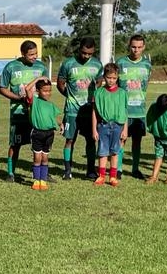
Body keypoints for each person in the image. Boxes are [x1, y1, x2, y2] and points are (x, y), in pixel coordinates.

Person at [0, 40, 46, 183]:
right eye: (31, 54)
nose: (34, 57)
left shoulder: (41, 67)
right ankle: (10, 173)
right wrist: (18, 98)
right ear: (23, 54)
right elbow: (2, 88)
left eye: (36, 53)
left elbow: (45, 87)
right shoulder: (11, 67)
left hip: (37, 113)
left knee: (39, 144)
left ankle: (41, 173)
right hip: (18, 113)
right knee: (15, 144)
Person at [56, 38, 103, 179]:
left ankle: (90, 170)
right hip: (72, 110)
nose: (86, 56)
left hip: (89, 111)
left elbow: (99, 81)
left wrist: (95, 94)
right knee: (70, 140)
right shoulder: (68, 64)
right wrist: (69, 96)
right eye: (84, 53)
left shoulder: (97, 64)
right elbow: (60, 83)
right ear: (79, 49)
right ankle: (67, 170)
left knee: (91, 140)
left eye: (90, 54)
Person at [117, 34, 152, 177]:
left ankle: (135, 169)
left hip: (139, 111)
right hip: (123, 111)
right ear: (129, 46)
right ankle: (118, 169)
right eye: (133, 47)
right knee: (121, 140)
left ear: (143, 47)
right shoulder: (121, 63)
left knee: (137, 142)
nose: (136, 50)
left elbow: (145, 84)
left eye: (139, 47)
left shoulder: (147, 65)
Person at [91, 61, 128, 185]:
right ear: (104, 77)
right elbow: (94, 112)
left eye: (114, 78)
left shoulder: (122, 93)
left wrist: (125, 129)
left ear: (117, 78)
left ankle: (112, 176)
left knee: (115, 152)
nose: (111, 80)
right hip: (103, 126)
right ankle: (101, 176)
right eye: (108, 77)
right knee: (102, 151)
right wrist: (94, 129)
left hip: (117, 126)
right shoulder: (98, 93)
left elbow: (125, 112)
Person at [27, 77, 59, 190]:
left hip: (49, 134)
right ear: (38, 91)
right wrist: (39, 78)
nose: (47, 93)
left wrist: (60, 124)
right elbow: (27, 89)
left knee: (45, 158)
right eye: (45, 91)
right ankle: (36, 180)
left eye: (49, 90)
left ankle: (43, 180)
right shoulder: (34, 101)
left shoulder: (51, 105)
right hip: (37, 133)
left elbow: (54, 118)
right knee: (37, 158)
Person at [145, 93, 167, 185]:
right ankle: (154, 177)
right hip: (159, 137)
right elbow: (149, 118)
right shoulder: (154, 107)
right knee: (158, 156)